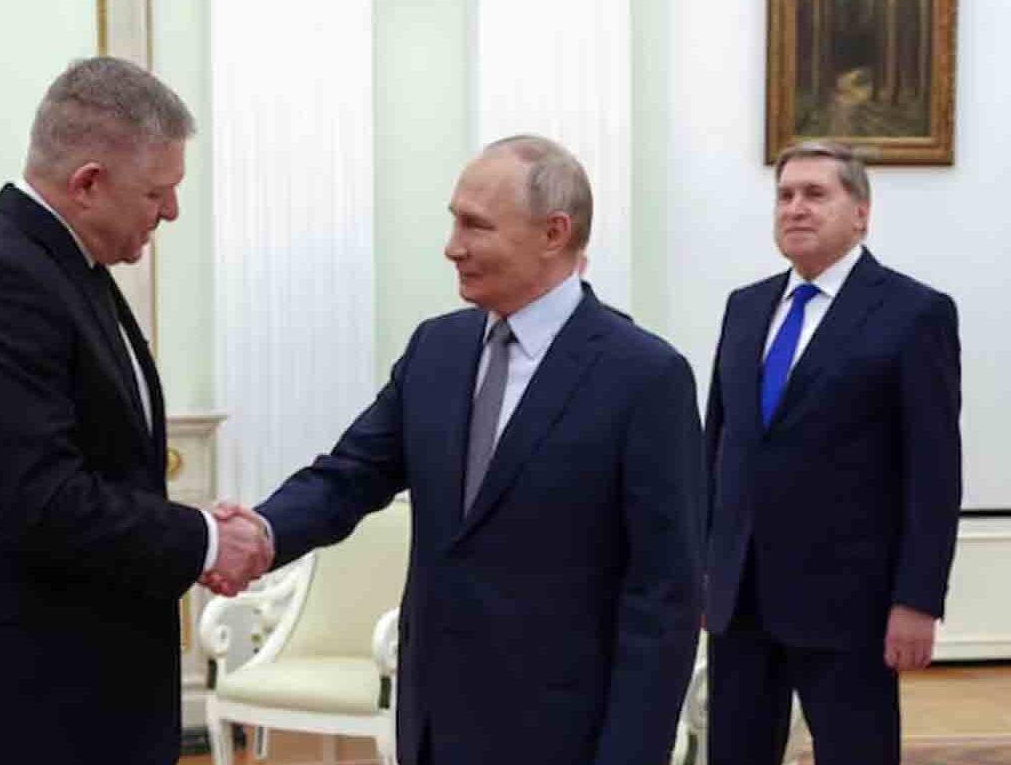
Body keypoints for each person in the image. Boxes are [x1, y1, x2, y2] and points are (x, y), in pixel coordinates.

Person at [222, 135, 704, 765]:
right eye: (454, 220)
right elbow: (350, 475)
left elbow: (663, 595)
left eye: (475, 225)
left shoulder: (644, 376)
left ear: (553, 233)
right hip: (433, 722)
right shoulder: (436, 350)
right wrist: (258, 531)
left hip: (564, 733)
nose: (452, 245)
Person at [0, 57, 272, 765]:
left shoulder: (64, 265)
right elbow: (37, 499)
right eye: (157, 193)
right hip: (29, 702)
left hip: (83, 690)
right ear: (89, 184)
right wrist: (200, 539)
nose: (170, 212)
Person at [704, 140, 962, 765]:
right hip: (741, 600)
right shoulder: (745, 308)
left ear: (861, 213)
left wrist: (917, 599)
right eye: (785, 196)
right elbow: (718, 447)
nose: (796, 208)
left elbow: (934, 471)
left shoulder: (913, 313)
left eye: (816, 194)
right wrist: (703, 565)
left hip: (852, 607)